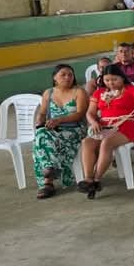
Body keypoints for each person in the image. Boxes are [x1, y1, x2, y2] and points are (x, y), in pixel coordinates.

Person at [79, 66, 134, 198]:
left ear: (122, 78)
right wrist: (94, 122)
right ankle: (88, 179)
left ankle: (96, 179)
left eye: (114, 79)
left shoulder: (132, 90)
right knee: (87, 142)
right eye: (107, 80)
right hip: (105, 126)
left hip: (128, 126)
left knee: (107, 143)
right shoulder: (99, 92)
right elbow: (90, 113)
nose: (111, 83)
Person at [32, 65, 88, 199]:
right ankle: (50, 170)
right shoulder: (48, 93)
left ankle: (47, 182)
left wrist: (59, 120)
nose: (67, 77)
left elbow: (80, 114)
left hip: (74, 129)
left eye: (70, 75)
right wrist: (39, 122)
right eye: (63, 75)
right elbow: (42, 113)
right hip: (53, 129)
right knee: (41, 134)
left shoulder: (79, 91)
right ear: (55, 78)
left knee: (42, 140)